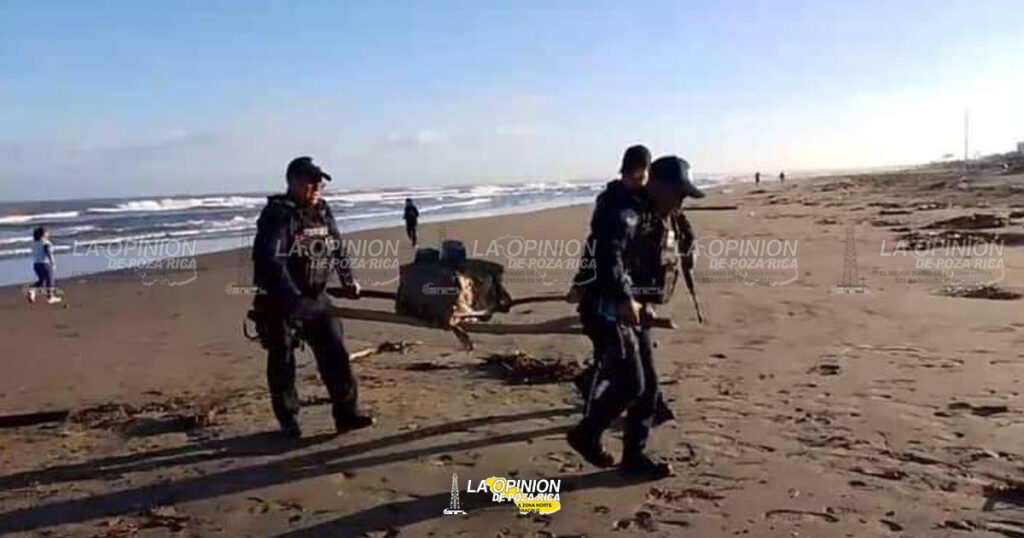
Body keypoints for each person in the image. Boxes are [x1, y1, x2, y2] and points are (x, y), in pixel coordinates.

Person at [567, 154, 704, 478]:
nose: (681, 200)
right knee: (632, 383)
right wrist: (624, 297)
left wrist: (689, 248)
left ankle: (634, 458)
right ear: (655, 186)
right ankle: (586, 433)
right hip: (606, 307)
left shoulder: (660, 210)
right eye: (678, 193)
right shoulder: (624, 212)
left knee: (648, 388)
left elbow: (679, 234)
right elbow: (608, 253)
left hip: (637, 309)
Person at [250, 156, 373, 439]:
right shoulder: (278, 214)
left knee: (336, 352)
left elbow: (337, 246)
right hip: (280, 300)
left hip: (317, 296)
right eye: (311, 181)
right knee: (282, 360)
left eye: (320, 182)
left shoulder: (322, 210)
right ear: (294, 181)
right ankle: (289, 420)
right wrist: (292, 300)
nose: (318, 186)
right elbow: (270, 261)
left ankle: (346, 414)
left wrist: (348, 279)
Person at [570, 145, 676, 428]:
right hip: (608, 296)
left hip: (629, 293)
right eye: (638, 175)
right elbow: (603, 250)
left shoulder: (642, 201)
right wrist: (584, 283)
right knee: (617, 362)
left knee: (630, 362)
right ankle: (591, 414)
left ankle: (652, 405)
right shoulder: (615, 205)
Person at [27, 227, 61, 304]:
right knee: (50, 280)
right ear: (43, 235)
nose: (48, 233)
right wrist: (53, 262)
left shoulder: (34, 243)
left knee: (42, 281)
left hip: (36, 264)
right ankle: (50, 297)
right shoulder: (46, 243)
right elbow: (48, 252)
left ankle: (32, 290)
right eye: (47, 232)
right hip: (45, 264)